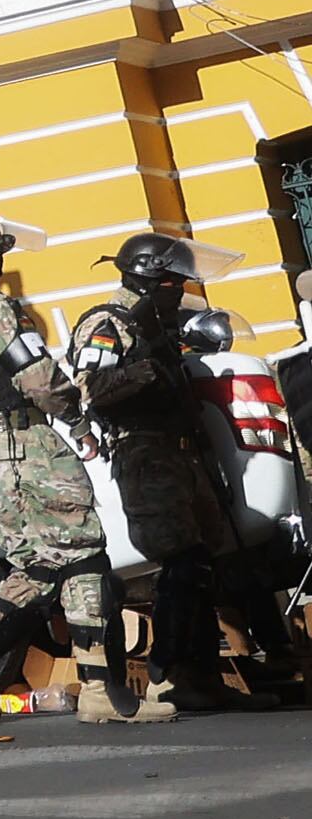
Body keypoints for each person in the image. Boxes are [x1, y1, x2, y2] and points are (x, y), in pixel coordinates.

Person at [0, 214, 172, 725]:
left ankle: (98, 688)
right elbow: (40, 380)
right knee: (69, 554)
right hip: (24, 445)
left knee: (62, 559)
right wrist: (77, 419)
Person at [72, 233, 275, 711]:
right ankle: (164, 672)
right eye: (174, 281)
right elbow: (89, 387)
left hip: (182, 452)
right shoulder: (110, 321)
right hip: (144, 453)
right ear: (151, 278)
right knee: (180, 562)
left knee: (202, 562)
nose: (180, 289)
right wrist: (138, 374)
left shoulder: (159, 322)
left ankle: (199, 679)